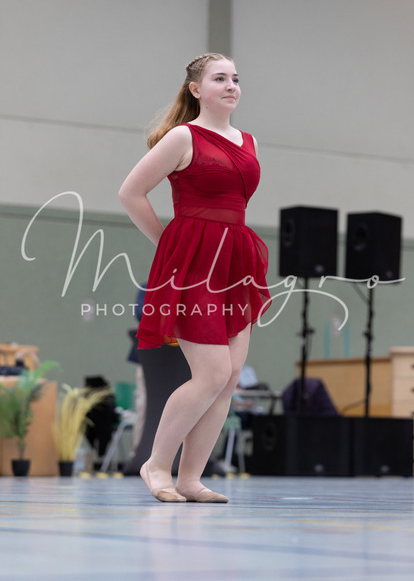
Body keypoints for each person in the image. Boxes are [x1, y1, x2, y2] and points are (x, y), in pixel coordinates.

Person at [119, 53, 271, 503]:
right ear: (196, 89)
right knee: (212, 372)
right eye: (220, 78)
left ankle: (190, 479)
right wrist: (168, 244)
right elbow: (130, 193)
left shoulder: (249, 141)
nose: (231, 85)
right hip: (193, 264)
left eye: (235, 78)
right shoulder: (183, 136)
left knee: (230, 376)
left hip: (236, 261)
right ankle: (156, 464)